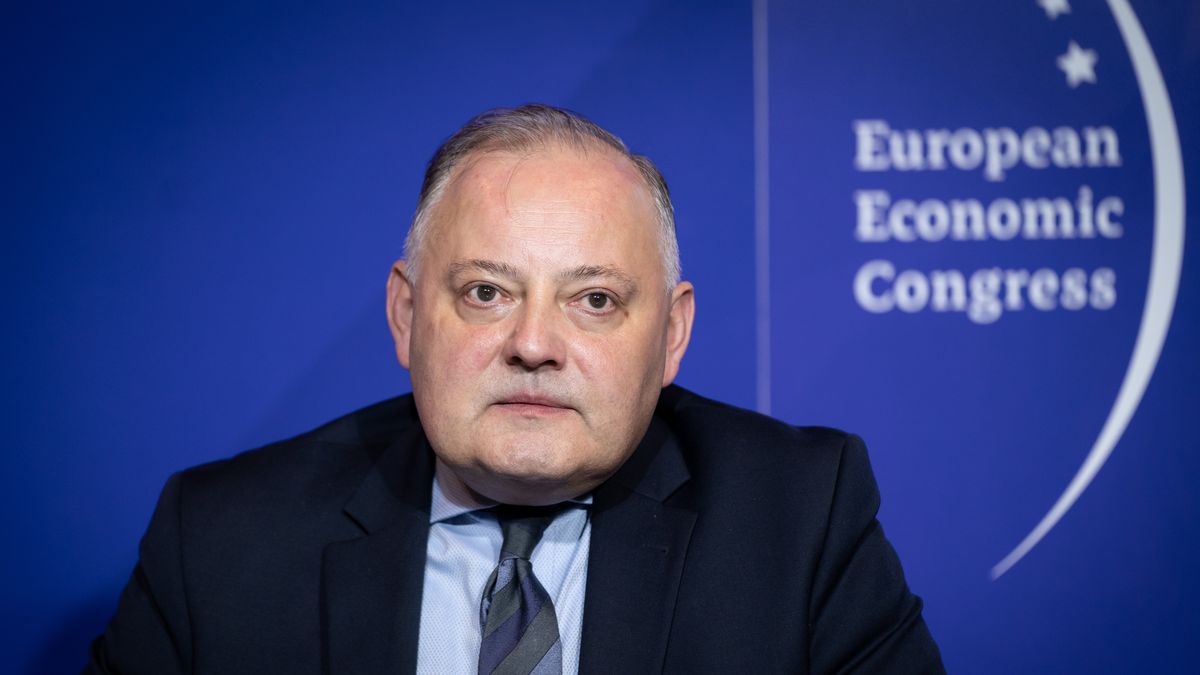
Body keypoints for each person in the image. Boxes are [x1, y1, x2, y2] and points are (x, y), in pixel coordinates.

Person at [87, 104, 944, 674]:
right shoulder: (221, 542)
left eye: (595, 299)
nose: (534, 344)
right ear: (406, 315)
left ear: (672, 335)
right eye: (486, 292)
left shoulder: (800, 520)